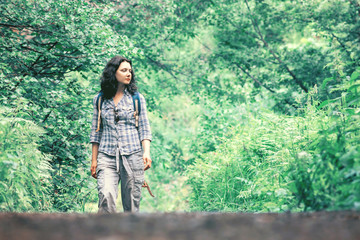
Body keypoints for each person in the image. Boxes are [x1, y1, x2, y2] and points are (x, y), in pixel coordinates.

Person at [89, 56, 152, 213]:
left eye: (130, 71)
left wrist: (146, 152)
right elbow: (96, 132)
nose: (128, 74)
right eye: (123, 70)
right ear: (113, 73)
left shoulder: (137, 99)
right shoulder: (100, 99)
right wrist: (94, 160)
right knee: (106, 195)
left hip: (132, 156)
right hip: (106, 156)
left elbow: (144, 128)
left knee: (131, 203)